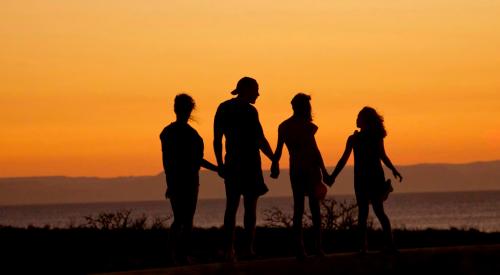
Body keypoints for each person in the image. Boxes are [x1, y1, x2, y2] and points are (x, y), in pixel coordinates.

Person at [213, 77, 274, 261]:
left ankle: (231, 250)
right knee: (248, 208)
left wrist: (220, 164)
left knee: (232, 207)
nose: (258, 94)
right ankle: (245, 249)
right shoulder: (249, 111)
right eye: (256, 90)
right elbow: (260, 139)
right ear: (247, 90)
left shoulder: (224, 108)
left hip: (234, 164)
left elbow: (217, 140)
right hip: (248, 164)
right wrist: (274, 159)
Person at [328, 106, 403, 254]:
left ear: (365, 121)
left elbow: (382, 156)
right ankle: (369, 246)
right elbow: (343, 160)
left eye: (359, 117)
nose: (356, 119)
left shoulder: (365, 138)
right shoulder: (355, 139)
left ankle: (378, 246)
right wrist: (333, 176)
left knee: (372, 212)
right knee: (371, 213)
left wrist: (394, 169)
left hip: (369, 179)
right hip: (366, 179)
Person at [160, 94, 218, 265]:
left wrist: (169, 183)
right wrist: (218, 169)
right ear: (189, 110)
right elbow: (197, 160)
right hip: (187, 181)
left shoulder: (168, 133)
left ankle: (176, 255)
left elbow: (168, 162)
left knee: (181, 219)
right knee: (185, 219)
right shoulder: (191, 135)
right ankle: (179, 255)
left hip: (179, 180)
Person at [271, 93, 329, 259]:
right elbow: (315, 151)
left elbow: (278, 150)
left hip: (295, 170)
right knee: (315, 210)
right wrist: (324, 172)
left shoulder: (284, 126)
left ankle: (300, 248)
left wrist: (275, 166)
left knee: (299, 208)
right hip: (310, 169)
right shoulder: (307, 126)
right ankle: (317, 248)